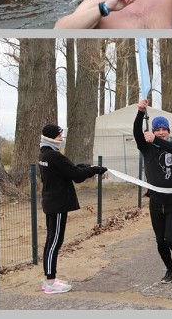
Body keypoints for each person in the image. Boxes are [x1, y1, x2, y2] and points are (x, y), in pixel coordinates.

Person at [38, 124, 107, 294]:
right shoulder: (54, 156)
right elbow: (76, 175)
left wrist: (88, 168)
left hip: (51, 202)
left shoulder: (45, 155)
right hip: (58, 204)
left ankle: (49, 277)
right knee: (55, 242)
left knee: (51, 241)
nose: (61, 139)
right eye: (59, 136)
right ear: (51, 138)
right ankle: (50, 282)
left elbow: (70, 169)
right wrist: (95, 170)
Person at [132, 101, 172, 283]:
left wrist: (156, 140)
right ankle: (169, 269)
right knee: (160, 241)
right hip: (156, 201)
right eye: (158, 130)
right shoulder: (146, 149)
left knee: (170, 239)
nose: (161, 132)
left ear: (168, 131)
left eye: (164, 129)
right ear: (153, 130)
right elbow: (136, 132)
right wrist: (141, 112)